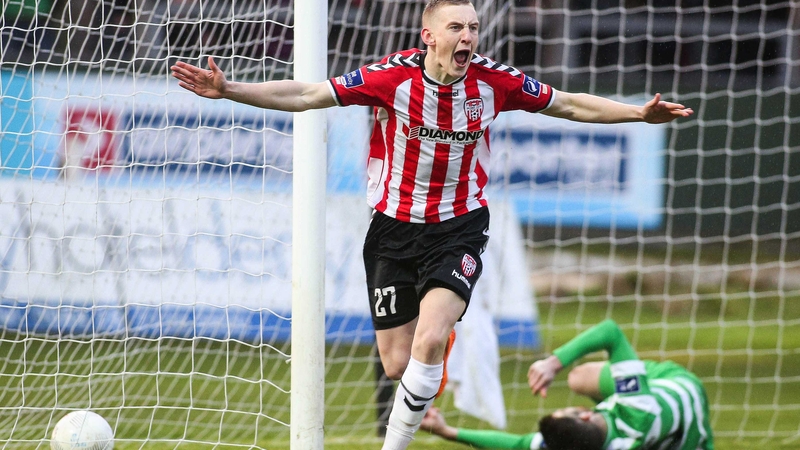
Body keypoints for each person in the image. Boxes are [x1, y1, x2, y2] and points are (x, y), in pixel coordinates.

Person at [170, 1, 693, 448]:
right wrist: (230, 89)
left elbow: (571, 105)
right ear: (429, 36)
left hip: (458, 226)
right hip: (392, 230)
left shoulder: (495, 82)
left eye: (473, 28)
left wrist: (636, 114)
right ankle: (436, 350)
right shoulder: (390, 77)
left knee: (428, 340)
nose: (467, 37)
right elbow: (307, 95)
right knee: (398, 364)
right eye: (456, 27)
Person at [420, 319, 714, 449]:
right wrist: (553, 363)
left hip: (658, 426)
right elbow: (611, 332)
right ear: (585, 415)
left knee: (579, 379)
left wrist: (448, 432)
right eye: (568, 410)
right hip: (677, 385)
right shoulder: (636, 406)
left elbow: (518, 445)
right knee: (577, 377)